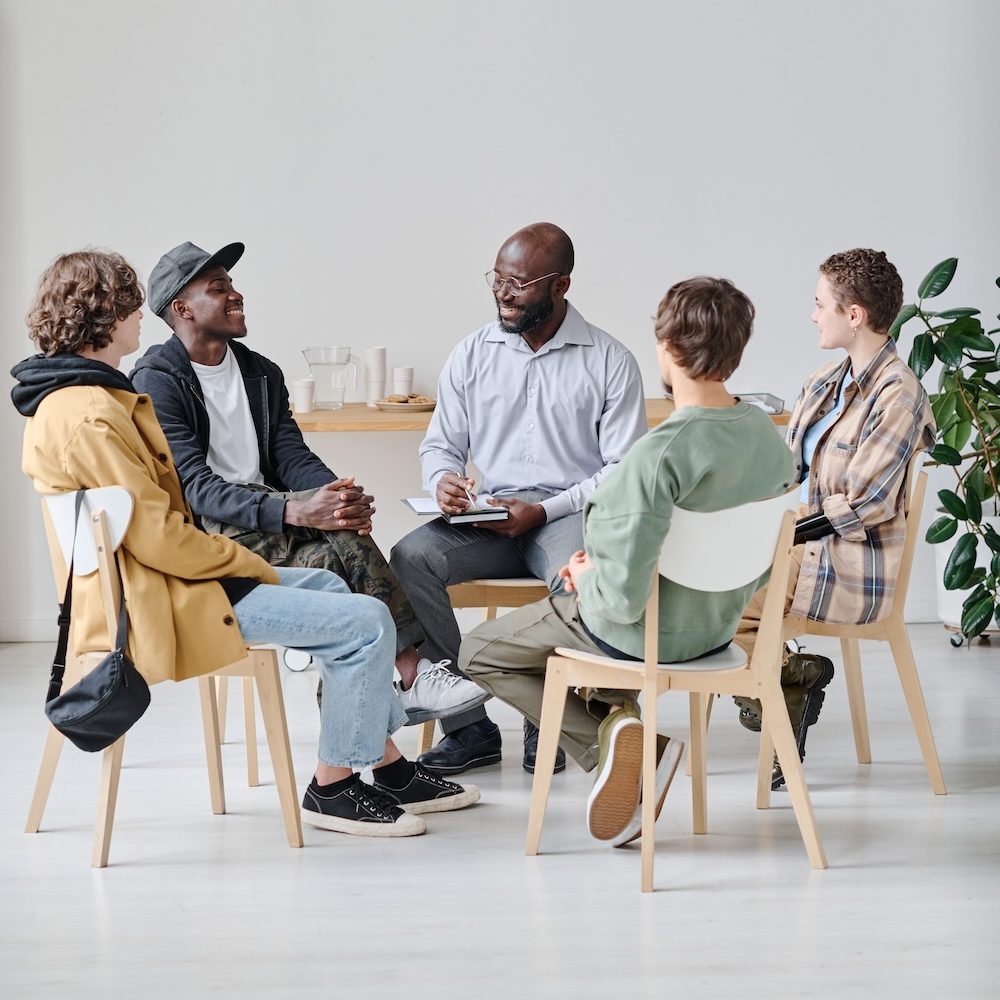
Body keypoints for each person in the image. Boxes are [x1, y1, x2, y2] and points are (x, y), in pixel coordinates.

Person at [12, 249, 480, 839]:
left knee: (338, 584)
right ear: (106, 317)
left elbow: (199, 500)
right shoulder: (96, 414)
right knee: (362, 621)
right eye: (130, 306)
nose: (138, 317)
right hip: (166, 594)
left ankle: (384, 764)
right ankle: (333, 789)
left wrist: (323, 504)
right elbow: (160, 535)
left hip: (177, 578)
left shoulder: (89, 400)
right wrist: (244, 560)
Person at [460, 276, 795, 844]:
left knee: (481, 652)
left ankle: (622, 743)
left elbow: (618, 598)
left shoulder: (655, 453)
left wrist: (586, 574)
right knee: (581, 604)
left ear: (664, 347)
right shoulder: (766, 437)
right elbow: (756, 559)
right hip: (716, 632)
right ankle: (624, 730)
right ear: (738, 350)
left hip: (642, 635)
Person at [130, 241, 485, 726]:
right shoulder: (157, 379)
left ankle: (371, 705)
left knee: (340, 554)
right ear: (182, 309)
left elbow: (290, 455)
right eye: (220, 288)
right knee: (340, 547)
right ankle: (409, 676)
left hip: (267, 519)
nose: (237, 295)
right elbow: (195, 486)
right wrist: (299, 511)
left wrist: (333, 496)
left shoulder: (259, 372)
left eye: (233, 284)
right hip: (211, 534)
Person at [389, 223, 648, 775]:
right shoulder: (472, 353)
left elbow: (624, 470)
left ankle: (547, 720)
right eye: (498, 279)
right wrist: (444, 482)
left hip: (568, 513)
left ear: (561, 286)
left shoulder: (608, 359)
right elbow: (441, 445)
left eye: (520, 283)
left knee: (577, 578)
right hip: (491, 516)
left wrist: (545, 510)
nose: (503, 293)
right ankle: (469, 728)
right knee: (410, 557)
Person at [733, 248, 936, 790]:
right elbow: (786, 475)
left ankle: (784, 694)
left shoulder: (900, 393)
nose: (812, 314)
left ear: (855, 315)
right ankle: (792, 682)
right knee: (698, 583)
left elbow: (865, 504)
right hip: (795, 543)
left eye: (820, 303)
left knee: (716, 601)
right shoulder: (824, 381)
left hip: (846, 560)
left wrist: (782, 535)